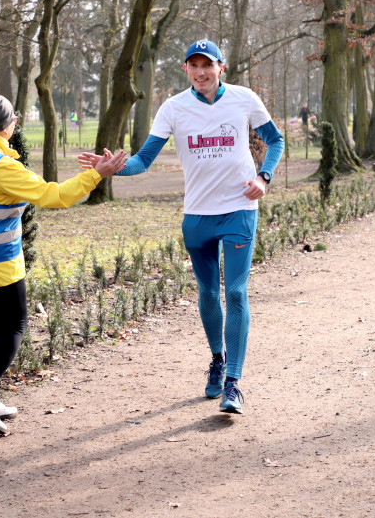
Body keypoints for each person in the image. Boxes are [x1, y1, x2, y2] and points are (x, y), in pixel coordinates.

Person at [81, 39, 284, 415]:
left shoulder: (244, 98)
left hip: (240, 208)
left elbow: (275, 139)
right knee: (208, 294)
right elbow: (143, 161)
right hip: (198, 214)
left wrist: (264, 177)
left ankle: (234, 384)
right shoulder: (173, 108)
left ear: (221, 67)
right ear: (186, 69)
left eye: (208, 64)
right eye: (194, 65)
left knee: (236, 293)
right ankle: (218, 360)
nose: (201, 72)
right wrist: (112, 168)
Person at [0, 91, 126, 435]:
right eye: (14, 119)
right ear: (6, 127)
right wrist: (96, 174)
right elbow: (55, 196)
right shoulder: (0, 165)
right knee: (13, 325)